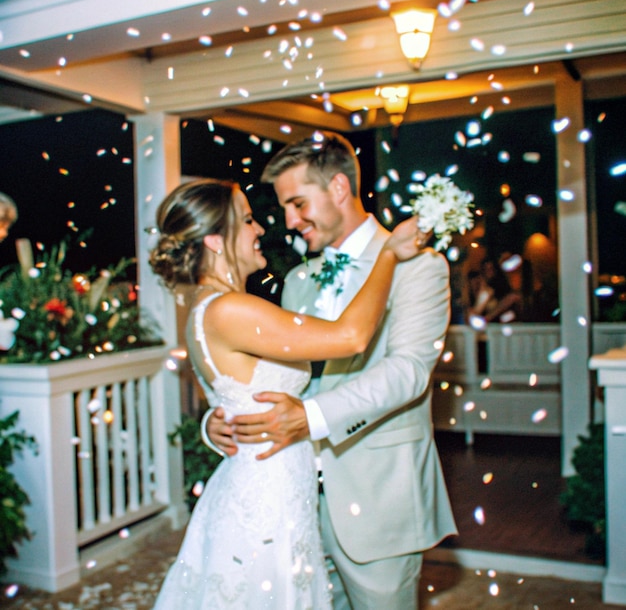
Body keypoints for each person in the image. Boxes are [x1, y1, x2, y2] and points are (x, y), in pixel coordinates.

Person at [149, 178, 428, 609]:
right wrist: (389, 255)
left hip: (265, 484)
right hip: (267, 498)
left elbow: (235, 393)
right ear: (214, 240)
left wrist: (214, 422)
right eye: (246, 220)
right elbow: (352, 337)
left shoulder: (209, 307)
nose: (260, 229)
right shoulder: (230, 310)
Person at [206, 132, 457, 609]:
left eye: (298, 203)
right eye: (283, 207)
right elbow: (274, 374)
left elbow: (407, 372)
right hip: (293, 499)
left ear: (339, 188)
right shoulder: (298, 280)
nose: (288, 221)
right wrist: (221, 419)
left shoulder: (418, 267)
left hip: (378, 496)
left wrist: (310, 417)